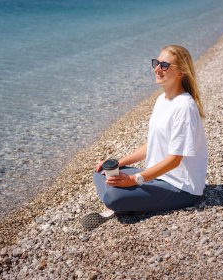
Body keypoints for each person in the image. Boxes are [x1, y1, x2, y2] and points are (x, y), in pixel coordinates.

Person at [82, 45, 208, 230]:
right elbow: (152, 145)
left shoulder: (184, 107)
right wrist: (117, 162)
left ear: (181, 71)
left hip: (180, 188)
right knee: (101, 171)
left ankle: (123, 204)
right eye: (156, 63)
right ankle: (131, 202)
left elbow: (175, 160)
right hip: (157, 176)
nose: (157, 69)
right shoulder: (161, 100)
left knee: (112, 197)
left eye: (164, 65)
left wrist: (135, 180)